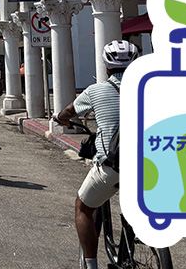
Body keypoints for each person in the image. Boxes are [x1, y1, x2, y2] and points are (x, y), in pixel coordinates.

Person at [53, 40, 139, 269]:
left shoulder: (96, 90)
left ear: (107, 66)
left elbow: (68, 112)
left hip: (113, 165)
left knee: (82, 207)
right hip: (150, 164)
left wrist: (60, 119)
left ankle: (91, 266)